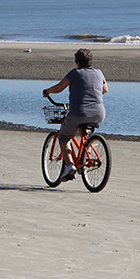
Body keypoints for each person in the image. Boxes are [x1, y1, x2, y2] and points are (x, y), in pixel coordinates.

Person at [42, 48, 108, 181]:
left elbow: (59, 87)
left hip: (79, 112)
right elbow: (105, 89)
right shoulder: (99, 73)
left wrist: (48, 91)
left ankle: (69, 166)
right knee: (83, 129)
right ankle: (87, 150)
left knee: (64, 137)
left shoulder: (75, 73)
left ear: (77, 62)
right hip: (99, 113)